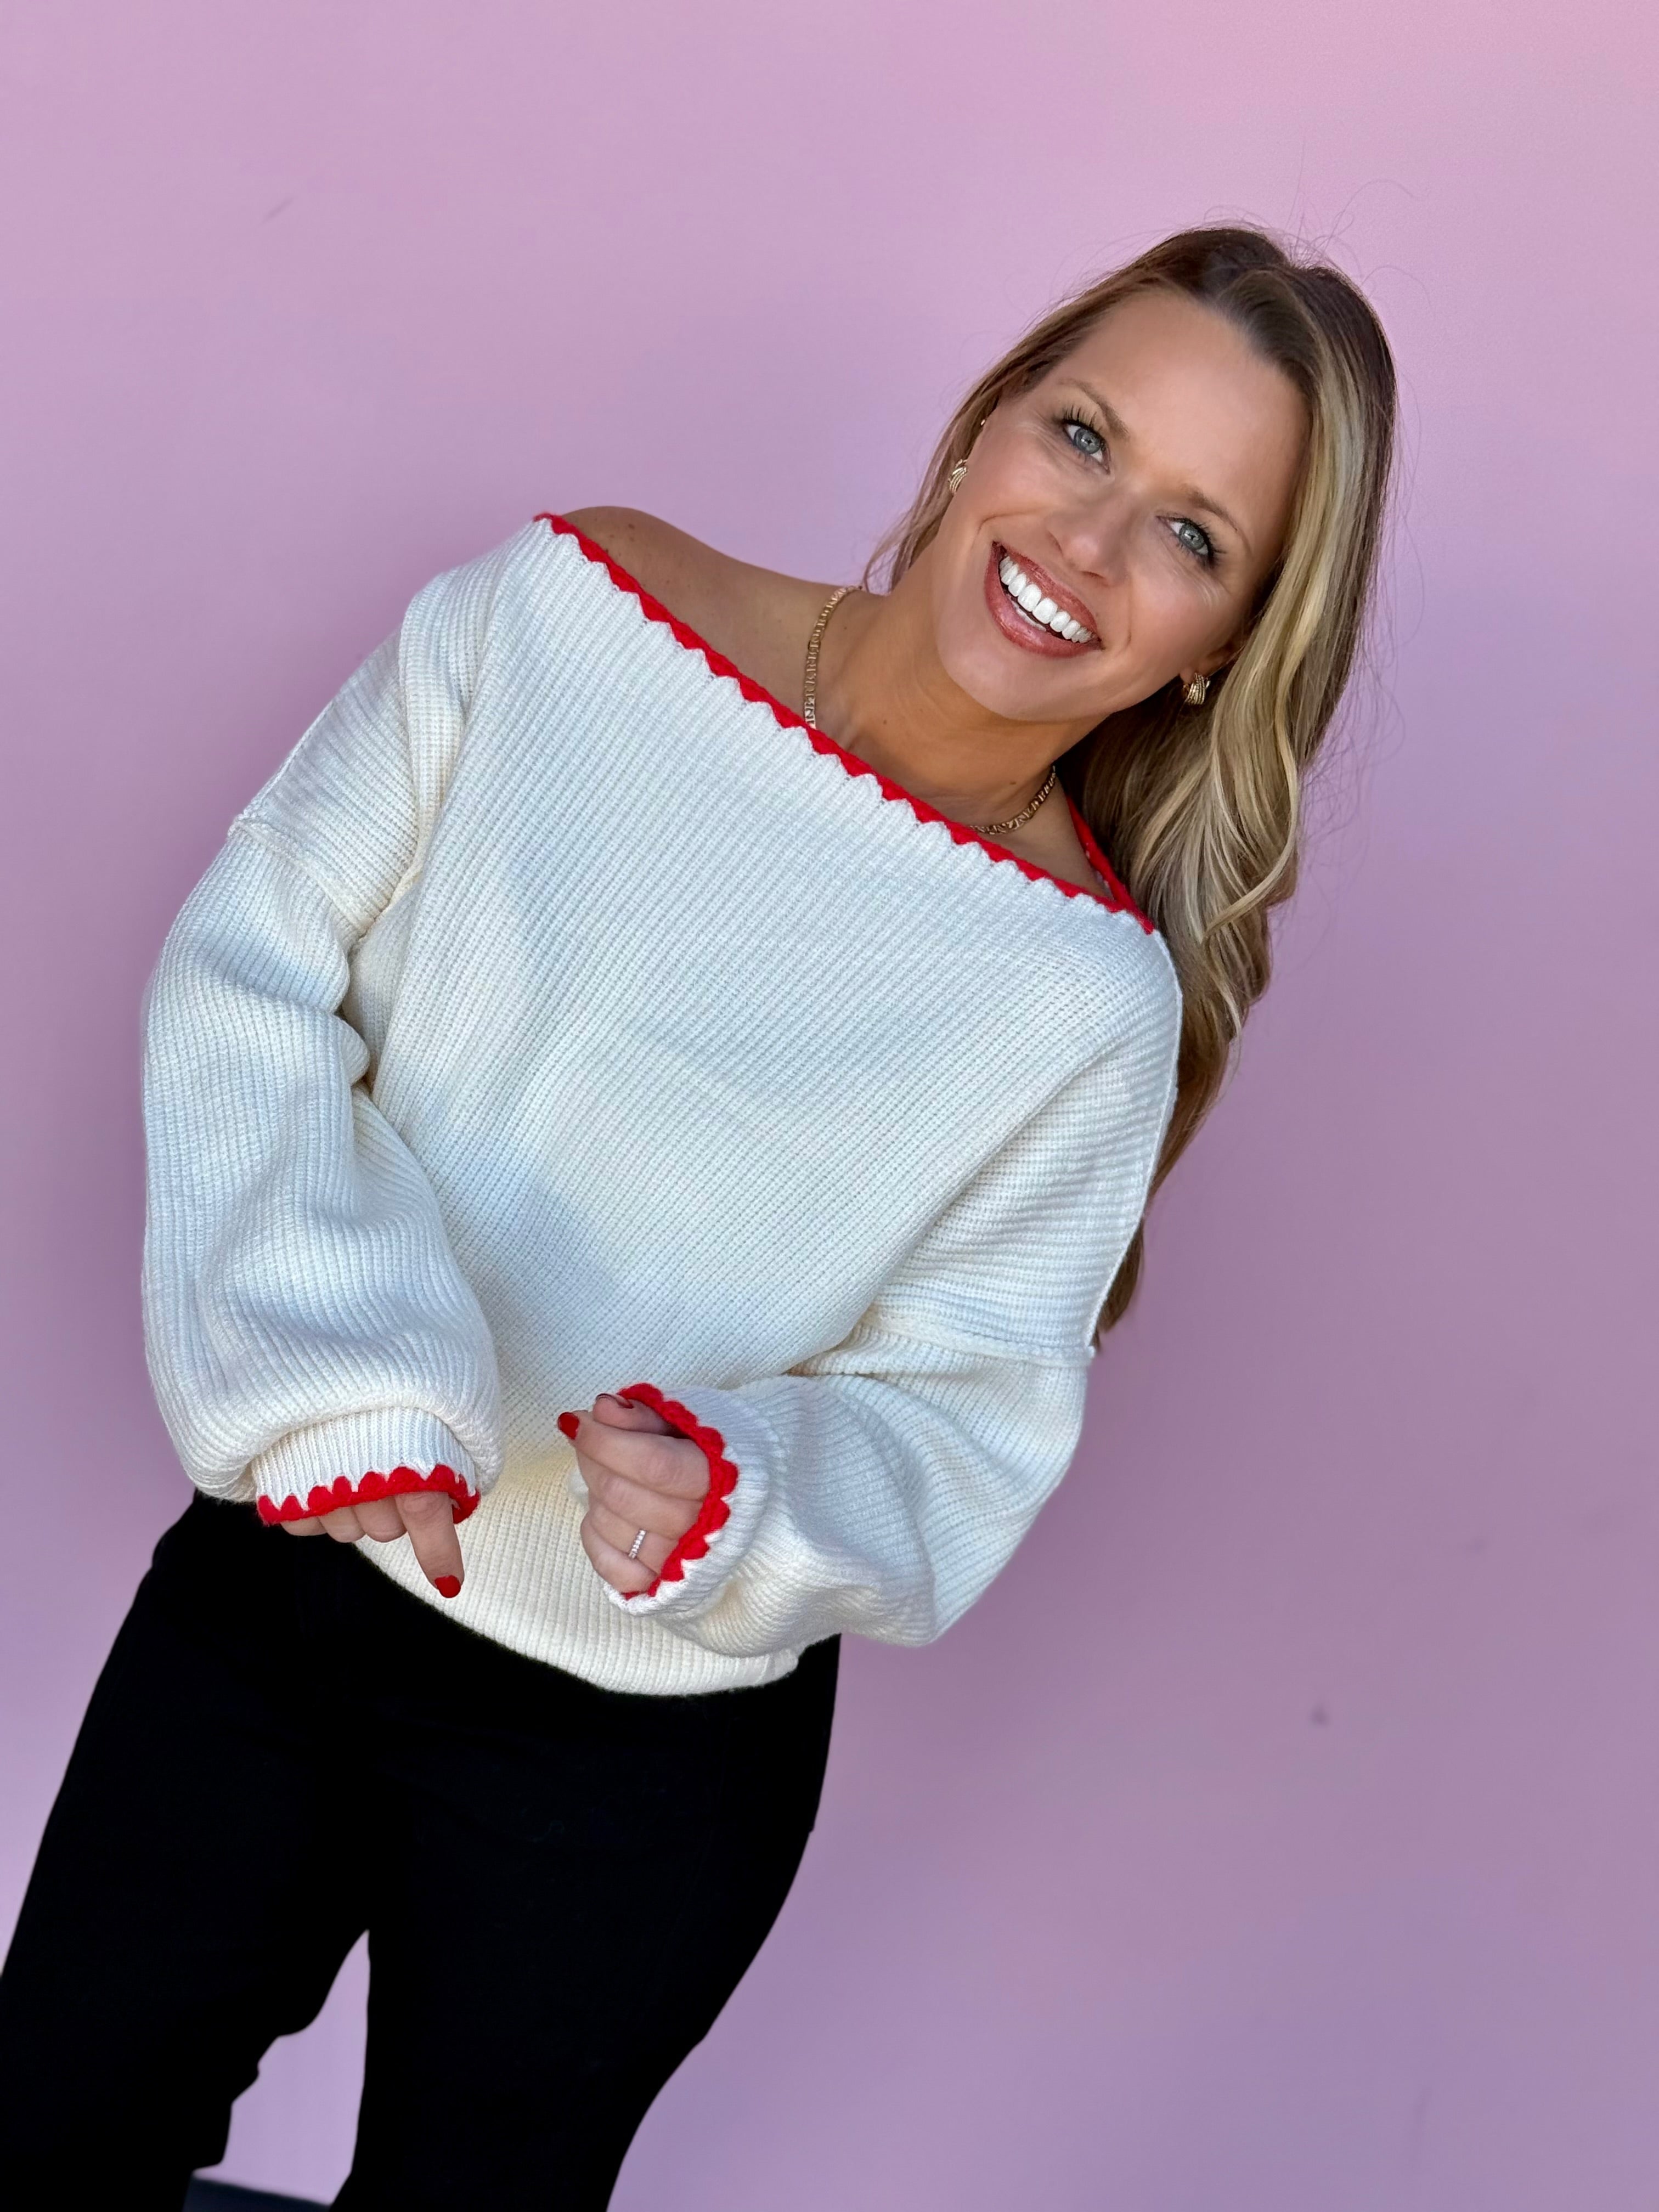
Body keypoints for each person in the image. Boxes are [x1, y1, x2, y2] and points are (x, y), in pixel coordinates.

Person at [0, 225, 1396, 2209]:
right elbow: (256, 970)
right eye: (1082, 434)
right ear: (985, 417)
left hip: (638, 1764)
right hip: (286, 1584)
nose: (1085, 544)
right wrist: (346, 1375)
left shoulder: (1084, 1003)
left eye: (1190, 536)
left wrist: (752, 1489)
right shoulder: (569, 616)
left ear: (1224, 646)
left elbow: (965, 1419)